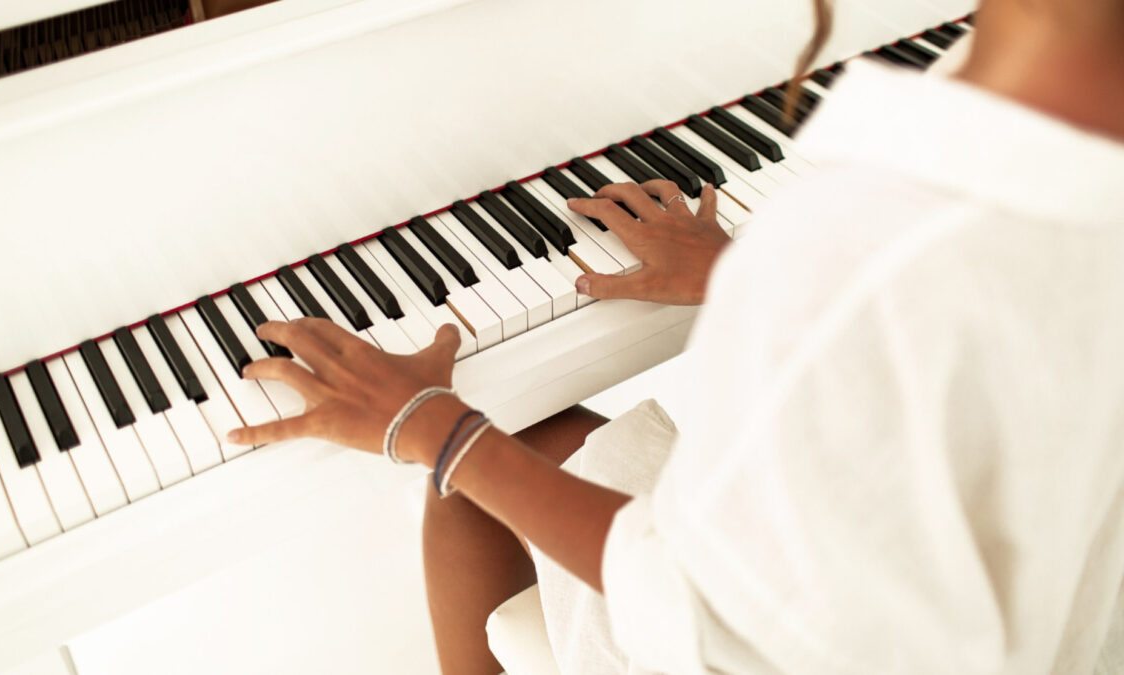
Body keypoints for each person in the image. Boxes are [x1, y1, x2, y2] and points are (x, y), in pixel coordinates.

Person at [225, 0, 1124, 671]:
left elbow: (712, 620)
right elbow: (1012, 322)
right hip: (1054, 601)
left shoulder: (863, 240)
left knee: (484, 462)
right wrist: (759, 280)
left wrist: (434, 425)